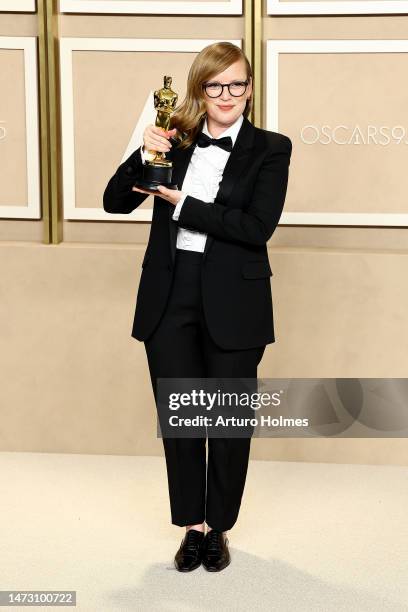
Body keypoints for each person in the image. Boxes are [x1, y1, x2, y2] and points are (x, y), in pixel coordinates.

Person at [103, 41, 292, 573]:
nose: (226, 95)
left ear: (250, 89)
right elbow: (114, 201)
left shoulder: (271, 148)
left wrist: (185, 204)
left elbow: (256, 228)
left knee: (228, 421)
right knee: (183, 419)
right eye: (215, 85)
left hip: (235, 297)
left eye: (237, 84)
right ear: (199, 91)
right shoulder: (175, 141)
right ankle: (192, 528)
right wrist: (145, 152)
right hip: (170, 294)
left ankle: (220, 529)